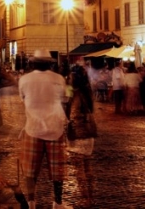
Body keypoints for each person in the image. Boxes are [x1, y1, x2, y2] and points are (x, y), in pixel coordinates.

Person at [18, 49, 72, 209]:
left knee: (30, 169)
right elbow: (66, 98)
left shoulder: (24, 79)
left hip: (32, 128)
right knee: (57, 169)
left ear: (32, 63)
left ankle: (31, 202)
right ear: (50, 63)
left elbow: (23, 99)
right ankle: (58, 202)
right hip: (55, 129)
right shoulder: (59, 79)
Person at [67, 62, 98, 209]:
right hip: (89, 134)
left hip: (78, 135)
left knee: (79, 170)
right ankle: (90, 197)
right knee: (88, 167)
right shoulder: (88, 92)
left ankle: (85, 200)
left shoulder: (76, 94)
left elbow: (72, 114)